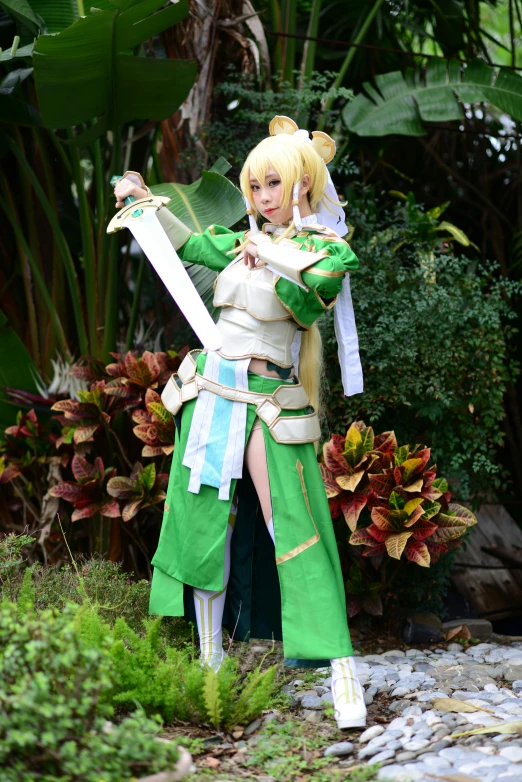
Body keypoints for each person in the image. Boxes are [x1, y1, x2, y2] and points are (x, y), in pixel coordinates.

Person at [113, 115, 366, 729]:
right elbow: (189, 243)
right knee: (207, 524)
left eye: (271, 184)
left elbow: (319, 285)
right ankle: (210, 668)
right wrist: (148, 204)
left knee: (295, 529)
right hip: (213, 391)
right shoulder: (239, 242)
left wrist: (271, 253)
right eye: (255, 187)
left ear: (304, 183)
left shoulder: (322, 250)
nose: (260, 198)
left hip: (271, 400)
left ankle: (343, 676)